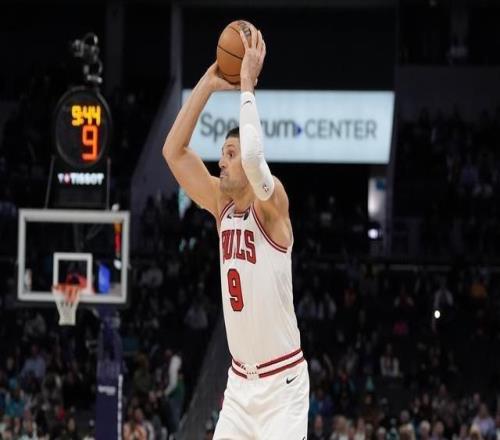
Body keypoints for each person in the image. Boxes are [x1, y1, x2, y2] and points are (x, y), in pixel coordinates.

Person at [163, 24, 309, 439]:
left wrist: (247, 85)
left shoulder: (272, 204)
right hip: (240, 387)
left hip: (283, 387)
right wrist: (208, 85)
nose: (221, 162)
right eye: (222, 155)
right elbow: (173, 152)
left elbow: (255, 158)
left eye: (230, 154)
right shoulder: (219, 205)